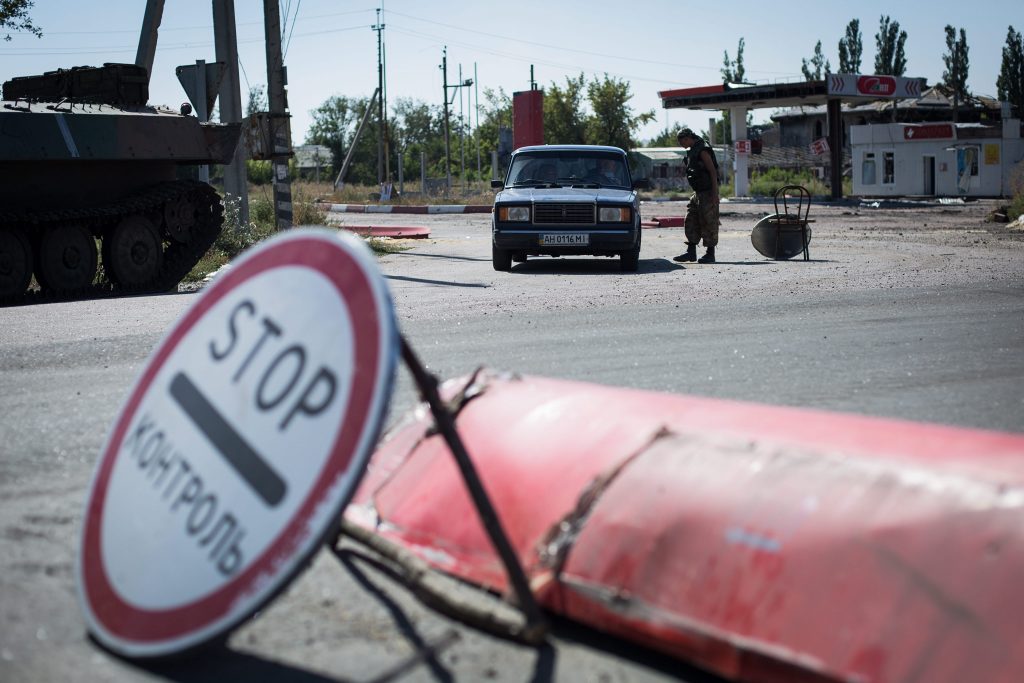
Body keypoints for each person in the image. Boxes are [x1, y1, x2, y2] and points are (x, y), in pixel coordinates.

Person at [672, 128, 720, 264]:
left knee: (709, 221)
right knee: (691, 218)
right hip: (698, 192)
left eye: (681, 141)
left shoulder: (702, 150)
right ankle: (691, 252)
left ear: (687, 138)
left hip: (708, 191)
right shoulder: (693, 150)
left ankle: (710, 254)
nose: (681, 144)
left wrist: (715, 194)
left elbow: (713, 172)